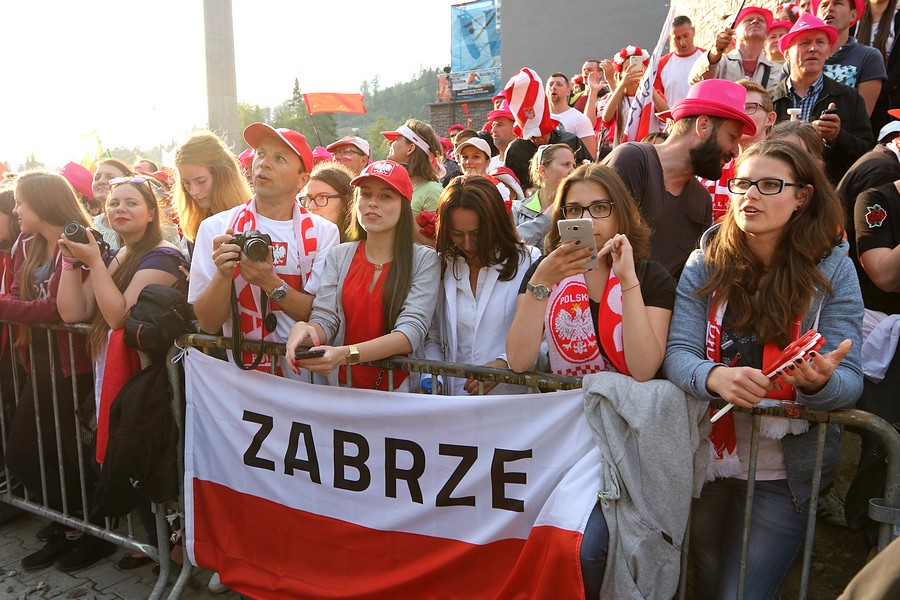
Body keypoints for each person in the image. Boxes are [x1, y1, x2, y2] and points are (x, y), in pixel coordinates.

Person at [664, 140, 863, 599]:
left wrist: (820, 384)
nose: (750, 195)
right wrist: (714, 377)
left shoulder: (834, 269)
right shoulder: (705, 261)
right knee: (704, 583)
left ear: (802, 197)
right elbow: (679, 354)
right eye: (741, 183)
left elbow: (849, 381)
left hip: (783, 475)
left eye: (770, 185)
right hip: (706, 461)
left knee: (742, 593)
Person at [56, 174, 186, 571]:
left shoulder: (163, 256)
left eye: (131, 203)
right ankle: (159, 547)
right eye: (114, 203)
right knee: (126, 460)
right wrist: (72, 261)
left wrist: (95, 262)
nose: (120, 209)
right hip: (119, 377)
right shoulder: (120, 254)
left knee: (146, 462)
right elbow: (73, 311)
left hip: (153, 383)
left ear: (152, 213)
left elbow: (118, 318)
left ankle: (176, 551)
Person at [1, 172, 103, 572]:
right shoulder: (25, 244)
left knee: (73, 456)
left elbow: (57, 310)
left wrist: (7, 307)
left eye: (21, 203)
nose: (15, 210)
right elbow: (17, 296)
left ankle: (88, 531)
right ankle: (71, 522)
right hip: (38, 363)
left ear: (42, 203)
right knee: (26, 453)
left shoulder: (77, 241)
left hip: (73, 367)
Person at [189, 123, 340, 377]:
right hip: (244, 382)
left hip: (304, 382)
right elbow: (208, 323)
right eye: (260, 153)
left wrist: (271, 283)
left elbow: (320, 314)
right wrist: (223, 276)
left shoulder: (324, 232)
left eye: (279, 158)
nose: (264, 163)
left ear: (302, 179)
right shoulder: (216, 228)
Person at [506, 162, 675, 381]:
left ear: (620, 213)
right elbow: (518, 361)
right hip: (565, 402)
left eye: (600, 208)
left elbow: (643, 369)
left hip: (625, 402)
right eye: (575, 210)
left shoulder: (651, 276)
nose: (587, 220)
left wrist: (628, 281)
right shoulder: (544, 272)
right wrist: (541, 282)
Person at [285, 160, 439, 391]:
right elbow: (326, 318)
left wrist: (346, 354)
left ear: (404, 205)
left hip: (398, 392)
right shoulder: (339, 255)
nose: (372, 203)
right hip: (342, 388)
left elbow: (409, 333)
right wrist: (305, 330)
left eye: (385, 196)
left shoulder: (424, 260)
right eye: (365, 194)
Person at [603, 78, 756, 277]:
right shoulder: (632, 161)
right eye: (732, 137)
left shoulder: (701, 200)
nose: (736, 151)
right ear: (703, 126)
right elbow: (599, 252)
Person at [424, 175, 540, 395]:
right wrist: (431, 379)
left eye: (477, 234)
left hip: (510, 403)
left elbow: (544, 339)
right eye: (457, 234)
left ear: (496, 224)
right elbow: (435, 338)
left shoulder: (529, 261)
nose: (467, 244)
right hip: (454, 402)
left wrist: (504, 364)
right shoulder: (442, 265)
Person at [771, 13, 875, 184]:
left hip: (830, 191)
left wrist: (838, 137)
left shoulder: (849, 98)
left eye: (820, 42)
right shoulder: (769, 100)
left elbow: (866, 154)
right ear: (787, 53)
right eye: (805, 43)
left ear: (828, 51)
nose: (813, 48)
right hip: (777, 189)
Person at [700, 80, 778, 221]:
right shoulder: (711, 167)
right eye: (735, 108)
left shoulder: (779, 168)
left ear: (770, 119)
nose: (741, 114)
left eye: (750, 107)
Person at [503, 68, 591, 189]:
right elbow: (509, 186)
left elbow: (589, 171)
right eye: (532, 137)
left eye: (541, 134)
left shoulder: (571, 141)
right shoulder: (515, 150)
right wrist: (526, 190)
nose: (538, 140)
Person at [173, 130, 252, 256]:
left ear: (223, 175)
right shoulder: (195, 222)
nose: (193, 192)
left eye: (201, 181)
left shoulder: (249, 220)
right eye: (186, 183)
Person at [814, 0, 887, 117]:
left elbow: (861, 119)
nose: (829, 9)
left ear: (853, 15)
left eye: (838, 3)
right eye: (824, 5)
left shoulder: (869, 57)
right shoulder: (800, 56)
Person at [691, 6, 787, 91]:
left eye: (761, 20)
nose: (755, 21)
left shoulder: (778, 70)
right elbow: (695, 79)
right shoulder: (721, 62)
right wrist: (715, 52)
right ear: (734, 32)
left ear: (766, 34)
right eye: (748, 20)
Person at [593, 46, 669, 147]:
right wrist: (622, 85)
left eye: (637, 67)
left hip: (649, 148)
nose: (632, 71)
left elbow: (666, 115)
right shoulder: (617, 96)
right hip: (625, 149)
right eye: (627, 69)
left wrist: (648, 83)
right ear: (621, 74)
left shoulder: (653, 94)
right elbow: (606, 118)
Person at [512, 143, 576, 247]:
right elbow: (509, 247)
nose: (573, 171)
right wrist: (545, 219)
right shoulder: (517, 208)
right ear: (543, 171)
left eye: (574, 165)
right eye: (566, 165)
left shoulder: (577, 208)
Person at [381, 119, 445, 220]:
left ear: (410, 148)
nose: (389, 143)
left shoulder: (433, 192)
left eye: (396, 140)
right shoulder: (391, 186)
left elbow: (437, 230)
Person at [856, 0, 900, 136]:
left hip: (888, 100)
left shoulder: (897, 20)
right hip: (853, 94)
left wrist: (881, 90)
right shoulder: (852, 18)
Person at [654, 15, 706, 106]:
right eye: (677, 38)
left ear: (693, 31)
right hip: (673, 114)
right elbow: (656, 98)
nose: (682, 42)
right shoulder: (661, 64)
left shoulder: (706, 58)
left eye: (686, 36)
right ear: (670, 38)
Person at [546, 72, 598, 159]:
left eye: (559, 84)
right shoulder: (539, 118)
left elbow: (590, 156)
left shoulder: (579, 119)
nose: (553, 87)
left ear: (568, 92)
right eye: (550, 84)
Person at [300, 163, 355, 243]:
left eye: (322, 197)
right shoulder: (296, 240)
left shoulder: (357, 247)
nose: (311, 207)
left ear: (345, 203)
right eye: (308, 198)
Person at [91, 158, 134, 249]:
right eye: (97, 178)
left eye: (111, 178)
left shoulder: (138, 225)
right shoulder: (89, 223)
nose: (101, 181)